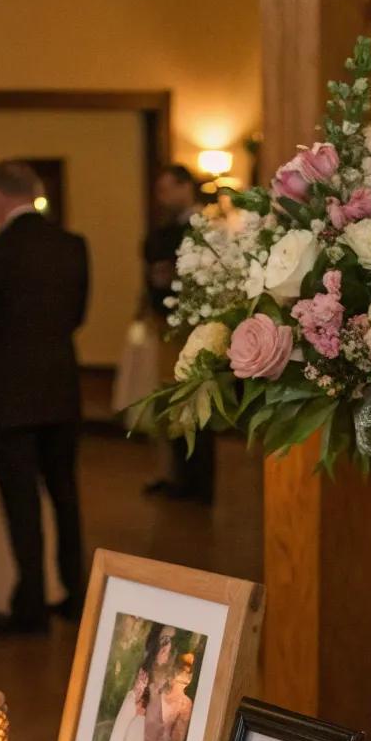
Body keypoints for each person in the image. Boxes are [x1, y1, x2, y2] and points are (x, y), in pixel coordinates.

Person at [0, 160, 88, 634]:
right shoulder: (72, 247)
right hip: (60, 385)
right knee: (65, 494)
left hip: (9, 393)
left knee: (22, 502)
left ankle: (30, 604)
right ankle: (76, 595)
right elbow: (77, 315)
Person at [142, 164, 215, 505]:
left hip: (193, 327)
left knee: (194, 402)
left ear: (186, 186)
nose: (162, 197)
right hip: (166, 324)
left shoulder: (206, 226)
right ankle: (176, 474)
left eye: (166, 188)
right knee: (171, 401)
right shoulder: (166, 230)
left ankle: (196, 482)